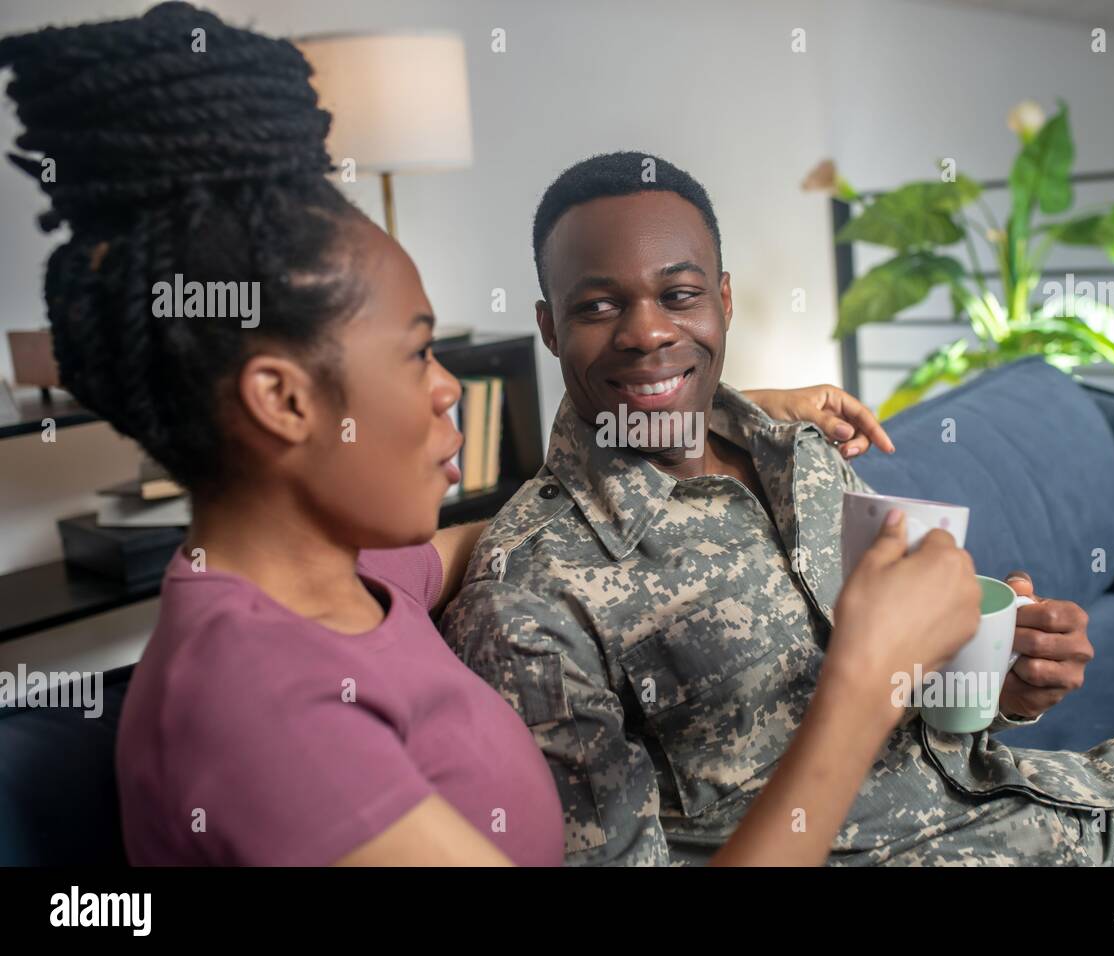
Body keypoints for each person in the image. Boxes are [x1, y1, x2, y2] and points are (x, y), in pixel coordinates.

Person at [2, 3, 985, 866]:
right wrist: (864, 677)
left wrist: (722, 406)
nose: (448, 395)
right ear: (284, 399)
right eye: (419, 354)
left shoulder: (341, 580)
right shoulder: (260, 712)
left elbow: (494, 530)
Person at [440, 150, 1114, 866]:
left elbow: (918, 700)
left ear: (724, 301)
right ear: (551, 329)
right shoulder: (531, 600)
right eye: (599, 306)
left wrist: (998, 683)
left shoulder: (801, 453)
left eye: (679, 294)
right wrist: (864, 679)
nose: (646, 331)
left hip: (1074, 808)